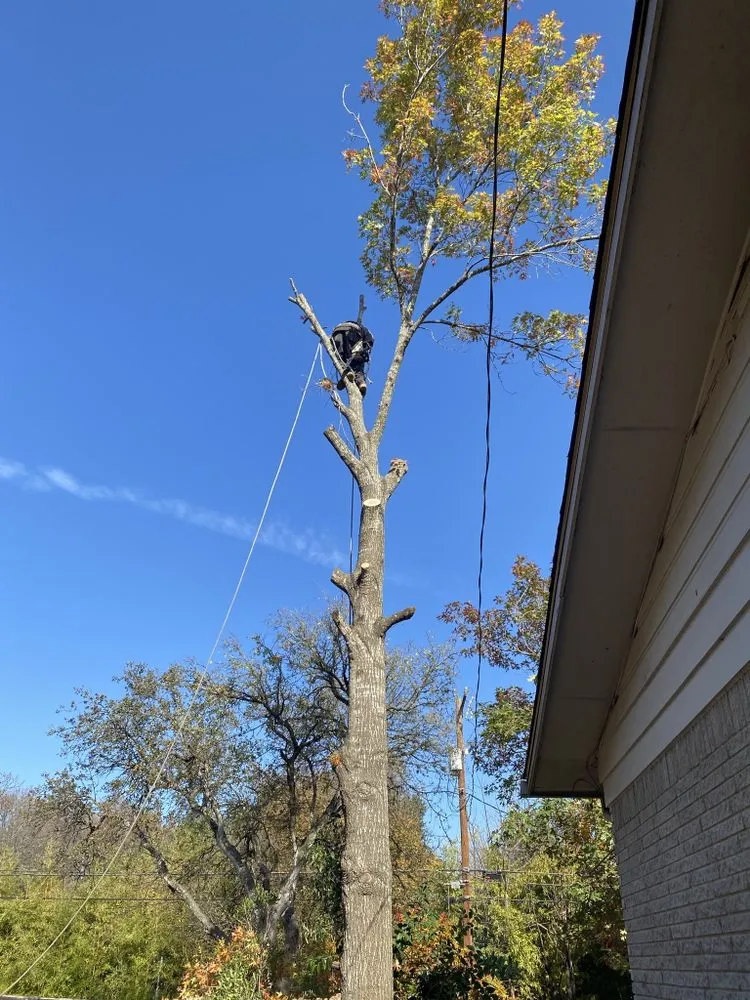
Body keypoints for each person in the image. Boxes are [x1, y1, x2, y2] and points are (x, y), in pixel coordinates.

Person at [331, 320, 374, 396]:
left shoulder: (360, 328)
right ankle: (359, 380)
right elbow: (369, 342)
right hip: (351, 333)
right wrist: (365, 349)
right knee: (358, 361)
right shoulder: (367, 333)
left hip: (336, 333)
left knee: (341, 355)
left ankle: (348, 375)